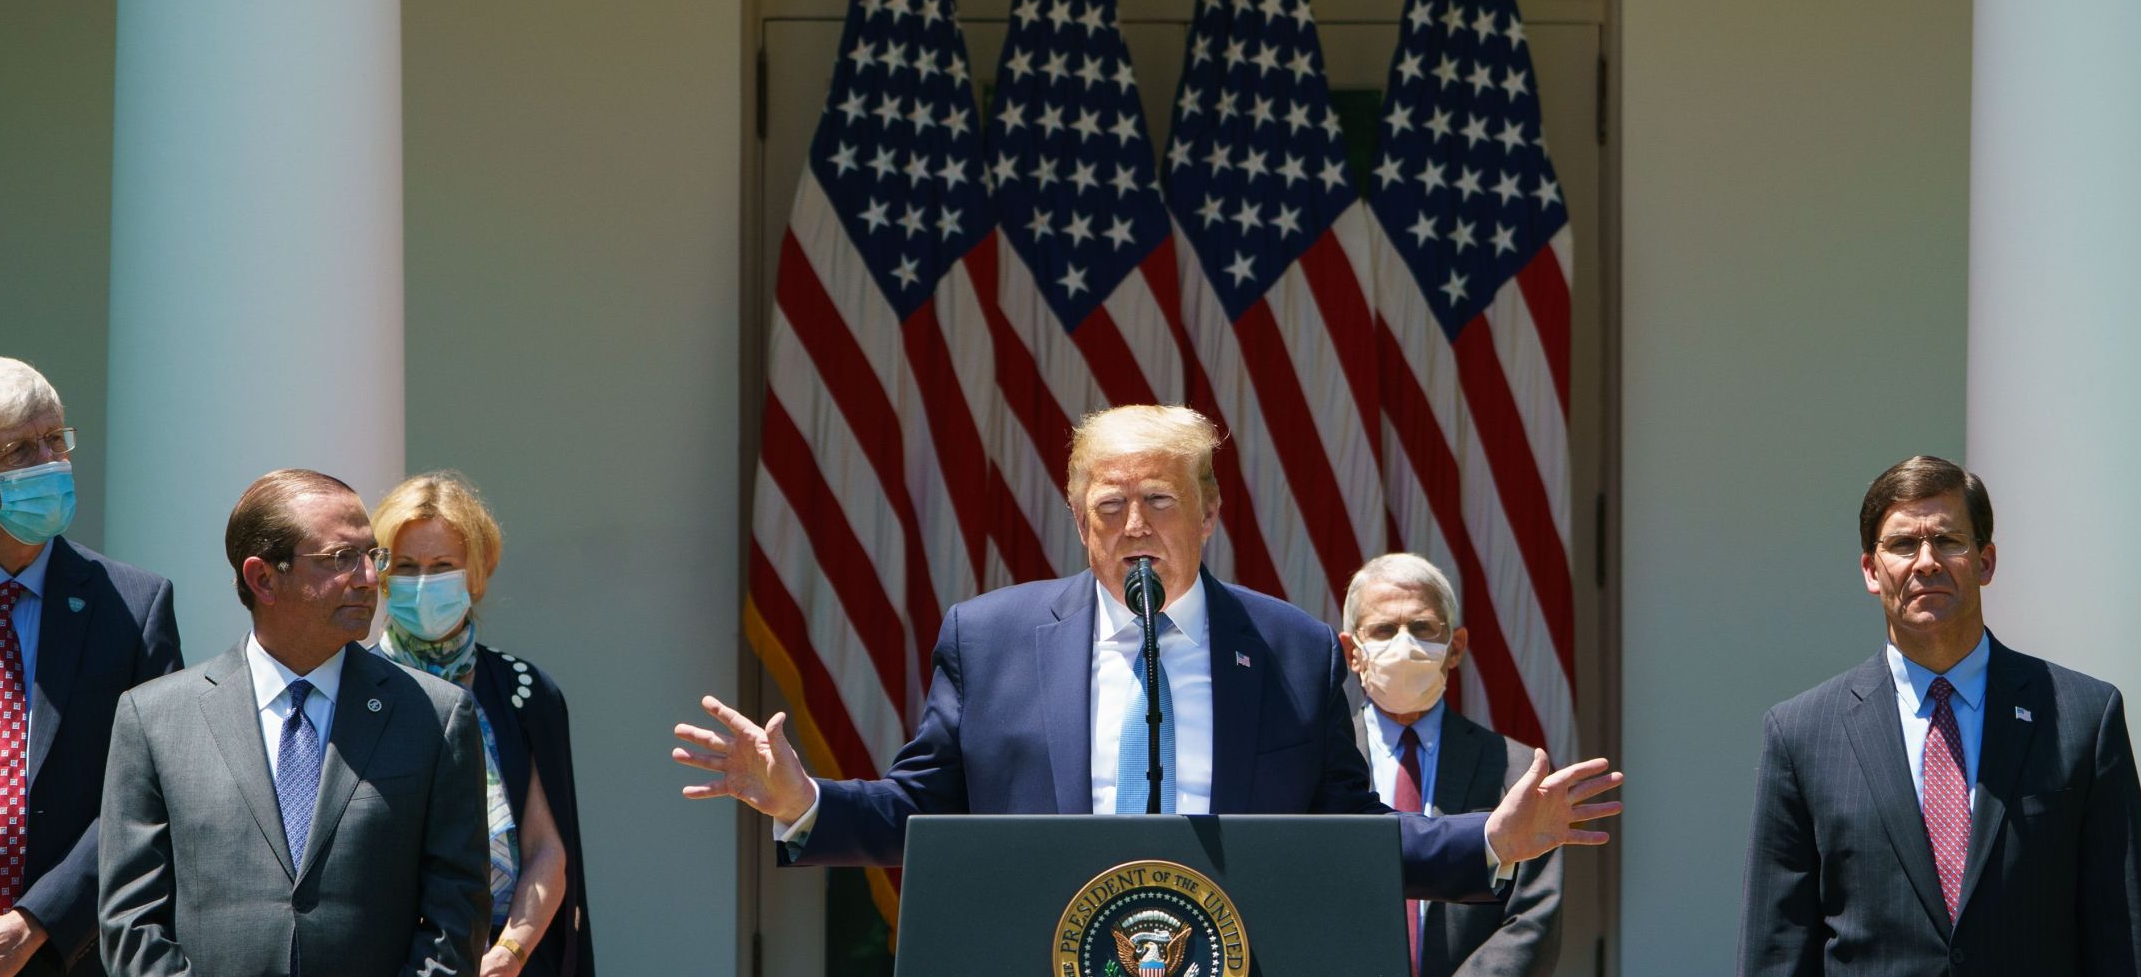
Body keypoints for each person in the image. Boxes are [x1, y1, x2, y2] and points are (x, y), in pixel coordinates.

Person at [672, 404, 1623, 901]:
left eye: (1161, 500)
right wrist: (804, 803)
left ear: (1210, 514)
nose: (1136, 526)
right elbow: (923, 809)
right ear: (1079, 523)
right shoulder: (990, 639)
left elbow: (1346, 831)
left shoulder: (1290, 649)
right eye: (1111, 505)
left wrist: (1491, 839)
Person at [1738, 455, 2141, 977]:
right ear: (1872, 570)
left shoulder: (2082, 716)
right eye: (1901, 545)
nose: (1926, 561)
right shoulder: (1802, 734)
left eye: (1948, 540)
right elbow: (1778, 948)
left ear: (1985, 562)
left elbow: (2122, 935)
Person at [96, 468, 491, 977]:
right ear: (263, 578)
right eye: (341, 558)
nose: (370, 578)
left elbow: (456, 914)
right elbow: (132, 920)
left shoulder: (433, 715)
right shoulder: (155, 719)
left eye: (373, 556)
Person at [0, 357, 182, 977]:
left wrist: (32, 926)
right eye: (17, 449)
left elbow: (151, 790)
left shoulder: (134, 604)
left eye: (54, 439)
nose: (48, 463)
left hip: (75, 953)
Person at [371, 472, 592, 977]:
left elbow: (547, 850)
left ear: (476, 573)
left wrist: (509, 953)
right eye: (406, 566)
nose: (424, 582)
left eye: (442, 566)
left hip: (511, 959)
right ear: (381, 575)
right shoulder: (349, 690)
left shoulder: (525, 691)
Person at [1340, 553, 1561, 977]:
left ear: (1455, 647)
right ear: (1352, 651)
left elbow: (1534, 918)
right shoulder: (1320, 764)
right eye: (1384, 630)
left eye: (1423, 628)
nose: (1404, 644)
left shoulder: (1515, 770)